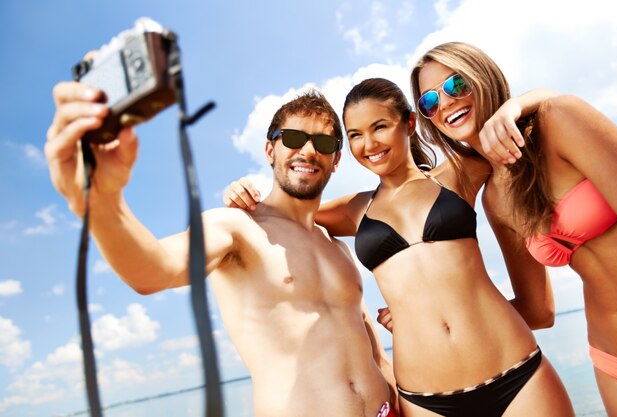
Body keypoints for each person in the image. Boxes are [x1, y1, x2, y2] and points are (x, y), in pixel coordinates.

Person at [224, 77, 574, 416]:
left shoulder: (460, 173)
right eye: (356, 135)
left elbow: (544, 113)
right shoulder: (353, 210)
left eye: (379, 126)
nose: (370, 144)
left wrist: (513, 105)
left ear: (408, 123)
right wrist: (244, 193)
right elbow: (283, 209)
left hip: (515, 375)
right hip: (426, 401)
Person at [44, 83, 399, 417]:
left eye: (322, 143)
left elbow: (372, 350)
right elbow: (153, 271)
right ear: (270, 149)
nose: (308, 150)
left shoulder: (336, 246)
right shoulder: (236, 228)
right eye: (293, 138)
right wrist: (103, 202)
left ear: (336, 159)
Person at [473, 50, 617, 417]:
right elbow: (537, 311)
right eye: (429, 100)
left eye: (455, 84)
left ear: (485, 79)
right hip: (611, 355)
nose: (444, 101)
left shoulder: (556, 121)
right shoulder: (494, 200)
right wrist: (434, 317)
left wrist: (521, 104)